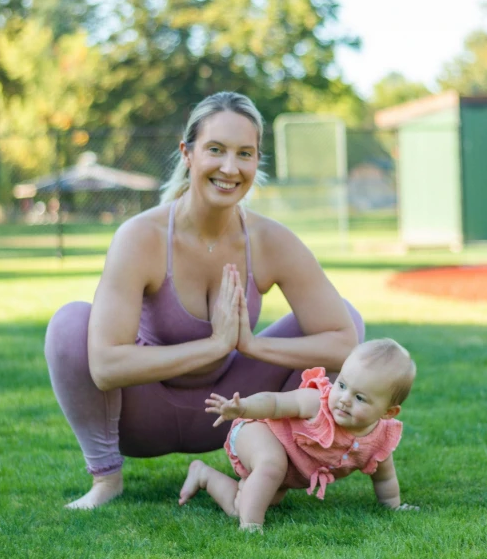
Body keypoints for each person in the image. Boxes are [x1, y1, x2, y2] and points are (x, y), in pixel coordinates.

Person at [45, 91, 364, 510]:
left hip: (236, 411)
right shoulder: (142, 237)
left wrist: (251, 345)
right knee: (70, 323)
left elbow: (345, 343)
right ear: (188, 152)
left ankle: (275, 469)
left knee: (348, 317)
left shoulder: (270, 241)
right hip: (145, 414)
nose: (230, 168)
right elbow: (105, 367)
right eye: (216, 150)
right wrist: (214, 345)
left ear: (256, 161)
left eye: (244, 154)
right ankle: (106, 478)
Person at [179, 339, 418, 531]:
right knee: (271, 465)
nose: (344, 399)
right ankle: (251, 526)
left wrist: (393, 507)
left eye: (360, 398)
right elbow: (274, 403)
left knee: (245, 504)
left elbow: (384, 479)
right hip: (258, 430)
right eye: (342, 385)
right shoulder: (317, 403)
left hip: (288, 467)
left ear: (388, 412)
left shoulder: (379, 440)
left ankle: (204, 476)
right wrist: (242, 408)